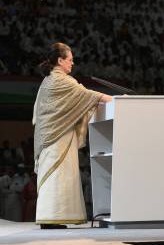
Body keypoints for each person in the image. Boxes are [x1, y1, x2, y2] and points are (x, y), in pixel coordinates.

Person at [33, 43, 113, 229]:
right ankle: (51, 218)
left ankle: (52, 218)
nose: (72, 63)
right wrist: (114, 99)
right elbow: (87, 95)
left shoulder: (49, 80)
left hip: (54, 134)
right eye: (69, 60)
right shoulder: (61, 81)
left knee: (58, 175)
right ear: (60, 61)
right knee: (56, 175)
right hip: (56, 137)